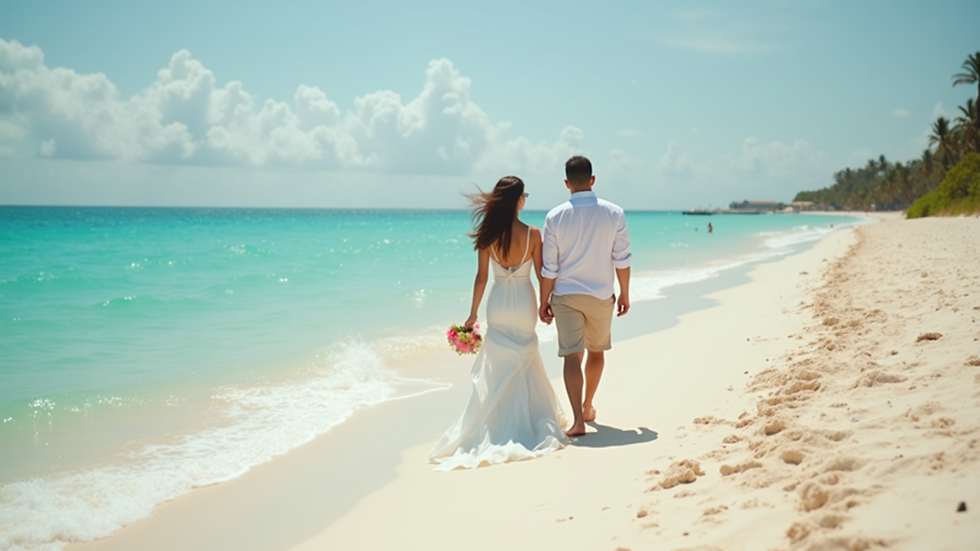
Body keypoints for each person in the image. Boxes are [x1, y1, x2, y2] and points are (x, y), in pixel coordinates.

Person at [429, 176, 568, 470]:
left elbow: (481, 277)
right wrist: (547, 303)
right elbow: (542, 274)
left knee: (499, 361)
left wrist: (472, 314)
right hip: (523, 300)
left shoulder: (487, 234)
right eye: (524, 195)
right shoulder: (533, 234)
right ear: (518, 199)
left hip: (497, 302)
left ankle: (495, 421)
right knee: (525, 356)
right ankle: (527, 421)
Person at [539, 156, 632, 437]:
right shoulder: (615, 213)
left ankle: (578, 420)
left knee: (571, 356)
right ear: (593, 180)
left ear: (566, 183)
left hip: (566, 295)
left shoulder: (554, 216)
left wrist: (544, 301)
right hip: (601, 294)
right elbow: (622, 258)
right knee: (596, 351)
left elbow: (549, 266)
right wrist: (625, 292)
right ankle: (588, 404)